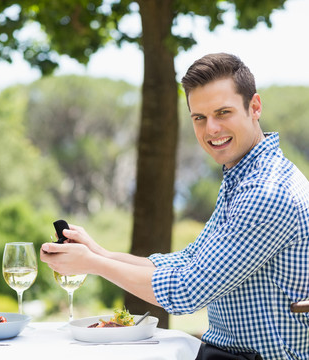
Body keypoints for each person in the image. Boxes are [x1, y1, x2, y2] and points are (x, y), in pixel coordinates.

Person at [40, 53, 309, 359]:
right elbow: (189, 260)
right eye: (200, 117)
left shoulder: (266, 192)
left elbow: (187, 292)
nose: (211, 129)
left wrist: (93, 264)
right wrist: (99, 252)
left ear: (255, 107)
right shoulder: (244, 176)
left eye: (223, 113)